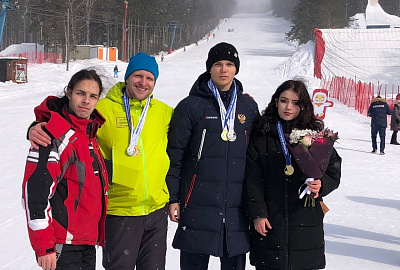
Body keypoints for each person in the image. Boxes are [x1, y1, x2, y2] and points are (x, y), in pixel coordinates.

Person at [28, 52, 174, 270]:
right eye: (137, 76)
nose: (143, 83)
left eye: (149, 78)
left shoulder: (165, 113)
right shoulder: (101, 108)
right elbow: (66, 113)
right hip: (119, 211)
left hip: (155, 211)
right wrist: (36, 126)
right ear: (127, 77)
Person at [166, 42, 259, 270]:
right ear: (209, 68)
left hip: (237, 208)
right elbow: (174, 155)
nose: (224, 69)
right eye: (218, 64)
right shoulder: (190, 106)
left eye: (229, 64)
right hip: (197, 205)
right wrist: (173, 197)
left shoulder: (248, 107)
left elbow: (257, 158)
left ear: (236, 69)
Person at [243, 80, 342, 270]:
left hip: (305, 224)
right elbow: (252, 180)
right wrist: (258, 214)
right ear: (275, 102)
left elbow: (333, 170)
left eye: (295, 102)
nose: (288, 107)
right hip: (270, 224)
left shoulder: (315, 136)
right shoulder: (262, 135)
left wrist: (321, 184)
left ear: (303, 106)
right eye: (283, 100)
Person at [22, 69, 108, 270]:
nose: (86, 100)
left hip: (86, 244)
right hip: (63, 245)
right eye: (80, 93)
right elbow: (35, 193)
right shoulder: (53, 135)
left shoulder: (88, 135)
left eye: (93, 96)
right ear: (69, 93)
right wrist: (44, 247)